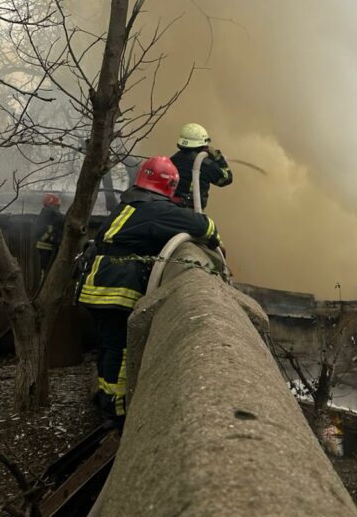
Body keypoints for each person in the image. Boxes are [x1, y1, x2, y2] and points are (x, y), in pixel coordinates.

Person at [78, 155, 221, 424]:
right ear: (170, 186)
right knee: (118, 351)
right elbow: (204, 226)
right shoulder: (156, 210)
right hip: (114, 289)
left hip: (97, 283)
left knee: (107, 347)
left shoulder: (131, 202)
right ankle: (116, 414)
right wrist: (216, 239)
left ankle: (106, 400)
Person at [170, 122, 233, 212]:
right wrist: (219, 159)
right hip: (192, 213)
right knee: (209, 226)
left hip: (169, 209)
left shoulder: (171, 160)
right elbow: (226, 179)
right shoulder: (205, 165)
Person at [35, 193, 64, 274]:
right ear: (52, 204)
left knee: (45, 271)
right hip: (49, 247)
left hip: (43, 246)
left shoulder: (43, 214)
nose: (58, 208)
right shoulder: (54, 215)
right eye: (57, 206)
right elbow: (60, 223)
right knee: (50, 271)